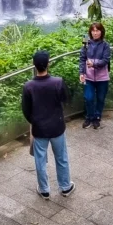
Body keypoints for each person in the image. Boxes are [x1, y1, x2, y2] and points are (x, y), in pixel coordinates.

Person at [22, 50, 75, 200]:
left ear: (34, 65)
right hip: (57, 127)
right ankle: (65, 187)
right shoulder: (58, 82)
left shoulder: (28, 86)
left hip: (39, 129)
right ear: (48, 64)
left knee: (40, 160)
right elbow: (66, 99)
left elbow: (25, 110)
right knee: (61, 157)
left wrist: (34, 121)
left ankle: (44, 190)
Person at [80, 21, 112, 130]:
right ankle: (89, 117)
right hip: (88, 77)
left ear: (101, 32)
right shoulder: (86, 44)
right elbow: (82, 59)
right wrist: (81, 72)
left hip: (102, 77)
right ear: (90, 32)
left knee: (100, 98)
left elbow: (105, 60)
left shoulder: (105, 45)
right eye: (93, 31)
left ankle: (97, 117)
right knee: (88, 98)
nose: (95, 33)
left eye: (97, 30)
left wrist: (94, 64)